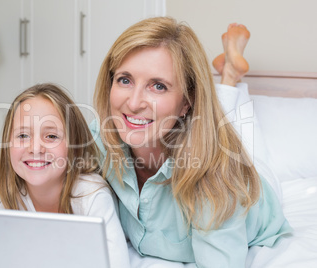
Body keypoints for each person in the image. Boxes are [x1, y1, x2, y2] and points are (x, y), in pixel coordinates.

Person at [90, 17, 292, 267]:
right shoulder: (99, 140)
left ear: (187, 101)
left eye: (158, 86)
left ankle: (230, 74)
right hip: (193, 133)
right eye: (125, 80)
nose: (133, 103)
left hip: (254, 183)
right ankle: (229, 72)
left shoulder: (218, 182)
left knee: (240, 134)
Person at [0, 83, 129, 267]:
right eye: (23, 135)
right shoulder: (6, 198)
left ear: (74, 147)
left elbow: (117, 263)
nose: (36, 148)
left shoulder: (91, 194)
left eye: (51, 136)